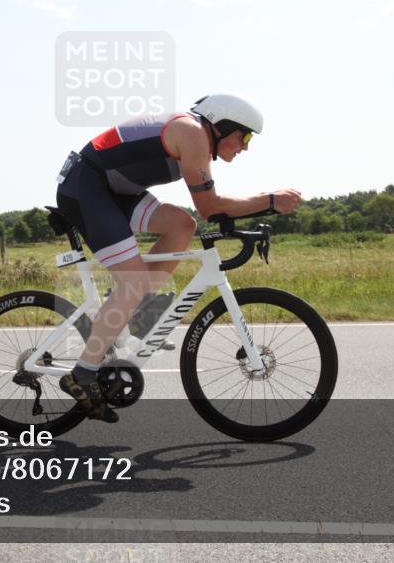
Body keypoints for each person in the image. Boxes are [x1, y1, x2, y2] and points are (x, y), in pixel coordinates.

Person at [54, 94, 302, 422]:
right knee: (134, 282)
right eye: (244, 136)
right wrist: (268, 200)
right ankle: (82, 376)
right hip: (87, 188)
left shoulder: (196, 135)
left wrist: (260, 205)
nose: (245, 147)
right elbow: (210, 206)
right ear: (223, 125)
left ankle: (136, 313)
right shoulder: (193, 133)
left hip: (114, 190)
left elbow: (205, 211)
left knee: (181, 225)